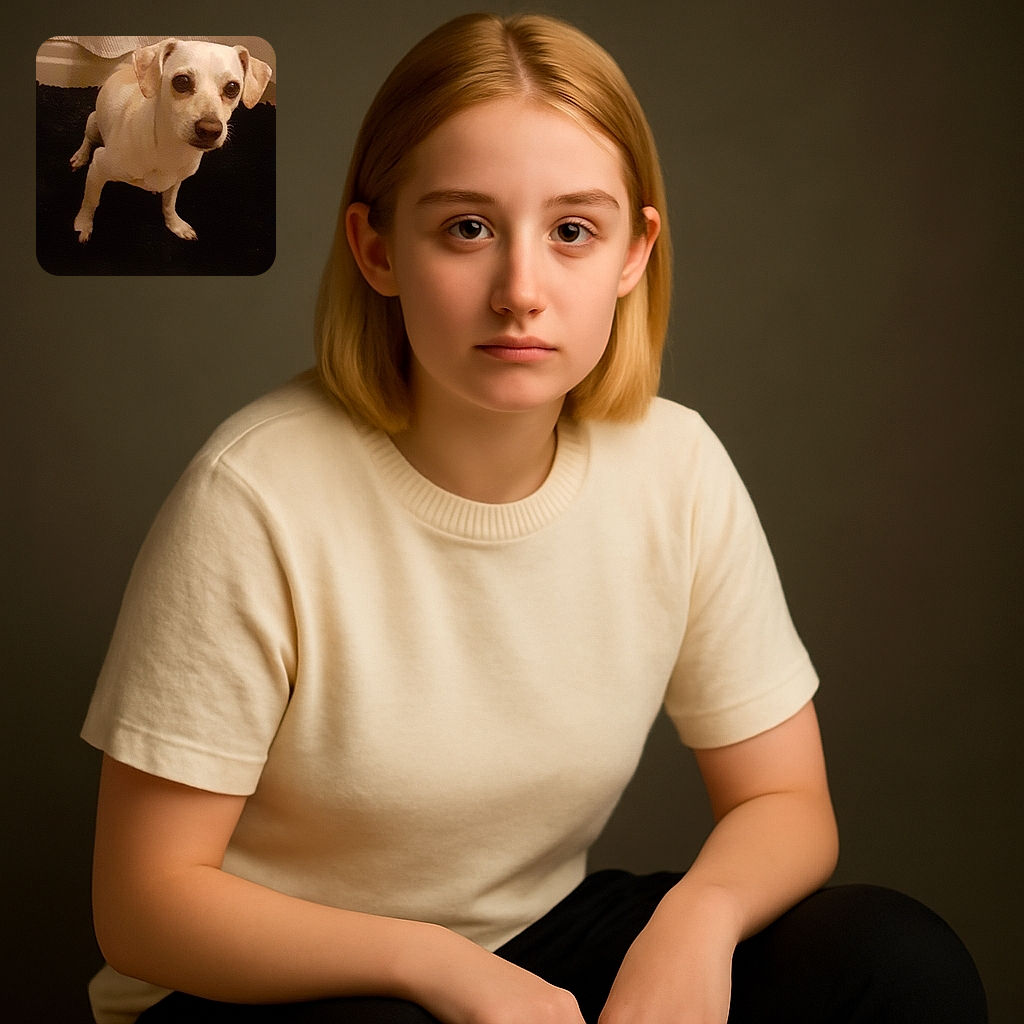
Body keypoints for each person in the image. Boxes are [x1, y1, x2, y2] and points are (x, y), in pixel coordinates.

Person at [81, 12, 987, 1024]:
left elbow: (783, 801)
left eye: (571, 231)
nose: (521, 291)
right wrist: (434, 966)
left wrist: (698, 919)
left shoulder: (675, 464)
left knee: (892, 963)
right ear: (376, 248)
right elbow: (145, 906)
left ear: (633, 253)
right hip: (266, 982)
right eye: (467, 227)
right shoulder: (254, 497)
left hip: (527, 938)